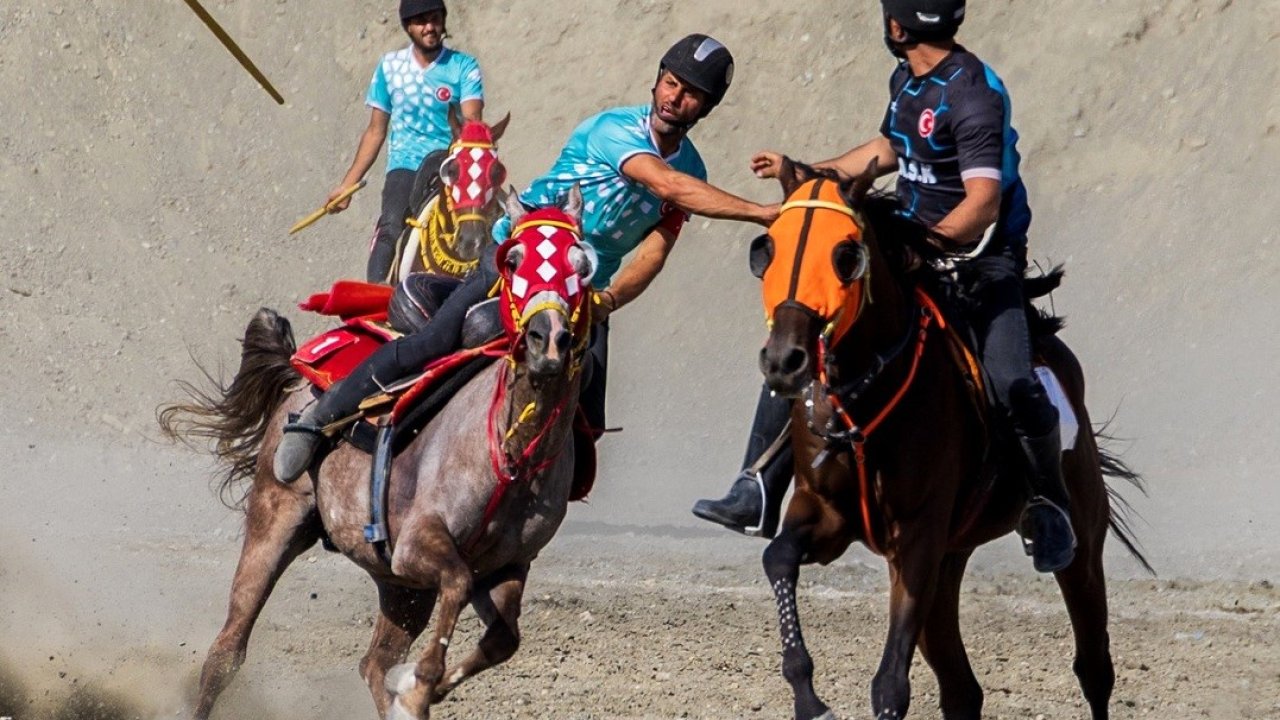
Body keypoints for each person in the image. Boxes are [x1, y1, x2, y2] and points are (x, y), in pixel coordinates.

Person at [273, 34, 779, 483]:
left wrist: (608, 300)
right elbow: (666, 184)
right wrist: (761, 213)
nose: (675, 97)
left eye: (691, 93)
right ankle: (320, 419)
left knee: (588, 419)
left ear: (705, 108)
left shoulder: (692, 168)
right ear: (657, 82)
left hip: (577, 292)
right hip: (518, 261)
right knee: (440, 340)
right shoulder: (613, 130)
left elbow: (655, 249)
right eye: (670, 82)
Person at [691, 0, 1078, 574]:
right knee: (808, 328)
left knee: (1014, 382)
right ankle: (759, 486)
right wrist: (802, 172)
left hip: (979, 261)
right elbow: (884, 151)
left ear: (897, 26)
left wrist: (923, 247)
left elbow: (982, 202)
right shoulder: (911, 79)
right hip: (909, 249)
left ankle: (1049, 505)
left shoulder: (973, 94)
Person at [324, 0, 486, 283]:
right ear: (408, 26)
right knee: (391, 223)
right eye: (421, 21)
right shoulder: (390, 67)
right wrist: (348, 185)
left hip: (452, 163)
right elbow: (375, 130)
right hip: (406, 162)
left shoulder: (464, 66)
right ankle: (372, 298)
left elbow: (472, 123)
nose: (430, 28)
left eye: (435, 19)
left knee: (485, 224)